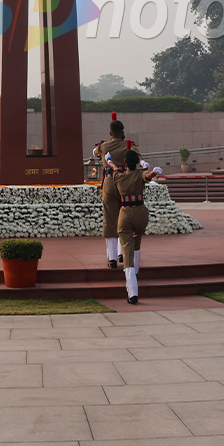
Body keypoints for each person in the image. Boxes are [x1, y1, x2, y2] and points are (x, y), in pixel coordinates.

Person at [111, 144, 157, 304]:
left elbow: (115, 169)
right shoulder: (140, 174)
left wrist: (109, 161)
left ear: (125, 162)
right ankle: (136, 272)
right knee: (137, 241)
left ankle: (133, 292)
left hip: (126, 214)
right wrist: (152, 170)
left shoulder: (119, 177)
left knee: (127, 251)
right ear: (137, 162)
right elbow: (148, 176)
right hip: (141, 213)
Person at [93, 113, 135, 267]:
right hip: (126, 182)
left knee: (110, 219)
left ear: (111, 133)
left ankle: (112, 258)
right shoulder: (130, 145)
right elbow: (138, 158)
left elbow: (95, 152)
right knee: (125, 217)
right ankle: (122, 253)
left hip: (110, 183)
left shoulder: (104, 146)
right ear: (123, 132)